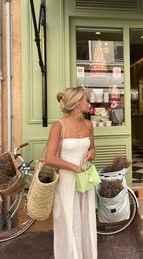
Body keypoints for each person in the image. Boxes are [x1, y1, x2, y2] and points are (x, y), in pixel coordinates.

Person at [44, 87, 97, 259]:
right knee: (68, 222)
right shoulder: (59, 126)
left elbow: (92, 149)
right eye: (86, 100)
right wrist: (75, 168)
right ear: (76, 103)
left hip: (85, 181)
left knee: (85, 220)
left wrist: (92, 153)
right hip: (66, 183)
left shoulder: (88, 125)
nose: (89, 103)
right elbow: (50, 159)